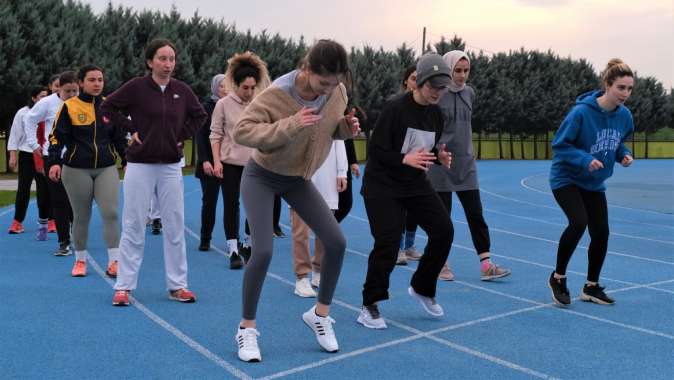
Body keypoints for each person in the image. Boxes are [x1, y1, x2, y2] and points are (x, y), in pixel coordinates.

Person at [232, 39, 359, 362]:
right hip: (262, 175)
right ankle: (246, 329)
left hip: (298, 179)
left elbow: (330, 130)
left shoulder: (336, 91)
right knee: (262, 251)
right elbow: (243, 132)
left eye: (333, 84)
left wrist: (345, 128)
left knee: (337, 242)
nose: (326, 91)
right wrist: (289, 124)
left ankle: (320, 314)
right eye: (322, 83)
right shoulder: (276, 93)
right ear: (306, 69)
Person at [101, 38, 207, 306]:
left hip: (171, 166)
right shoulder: (136, 87)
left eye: (171, 59)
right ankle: (124, 286)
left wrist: (181, 136)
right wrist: (129, 128)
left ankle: (178, 285)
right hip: (140, 165)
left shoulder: (182, 91)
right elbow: (107, 107)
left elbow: (200, 115)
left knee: (174, 225)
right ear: (150, 62)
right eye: (162, 58)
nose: (168, 64)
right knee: (134, 224)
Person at [357, 53, 453, 330]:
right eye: (433, 86)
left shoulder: (437, 114)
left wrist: (440, 156)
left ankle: (422, 287)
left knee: (444, 230)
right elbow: (375, 150)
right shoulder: (395, 108)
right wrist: (403, 159)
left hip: (414, 184)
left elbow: (428, 148)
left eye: (442, 87)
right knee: (387, 242)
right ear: (419, 82)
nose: (437, 92)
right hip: (382, 185)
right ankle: (369, 305)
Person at [548, 58, 635, 306]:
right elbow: (560, 145)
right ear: (608, 85)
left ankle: (591, 287)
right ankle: (558, 277)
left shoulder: (625, 116)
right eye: (621, 87)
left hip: (594, 182)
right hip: (567, 178)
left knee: (601, 232)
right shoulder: (581, 113)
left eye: (629, 89)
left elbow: (617, 142)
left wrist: (623, 155)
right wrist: (584, 159)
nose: (625, 94)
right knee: (578, 222)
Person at [427, 50, 511, 282]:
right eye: (458, 70)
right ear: (448, 69)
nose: (462, 76)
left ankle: (486, 265)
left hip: (466, 163)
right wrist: (436, 152)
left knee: (476, 214)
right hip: (441, 163)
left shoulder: (470, 93)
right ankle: (441, 263)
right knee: (443, 219)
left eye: (466, 71)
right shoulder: (438, 95)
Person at [47, 65, 127, 278]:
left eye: (100, 79)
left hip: (106, 167)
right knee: (82, 216)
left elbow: (119, 137)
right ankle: (80, 261)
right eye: (92, 80)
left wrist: (126, 159)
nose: (97, 83)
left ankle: (114, 261)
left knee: (110, 213)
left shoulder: (109, 107)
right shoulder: (69, 106)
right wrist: (54, 162)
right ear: (81, 83)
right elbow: (56, 137)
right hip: (76, 169)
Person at [211, 52, 271, 268]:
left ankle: (248, 243)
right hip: (230, 164)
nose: (249, 92)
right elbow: (215, 134)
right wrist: (217, 161)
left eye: (252, 87)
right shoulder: (223, 104)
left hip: (255, 164)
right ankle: (233, 250)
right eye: (245, 87)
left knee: (255, 206)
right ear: (235, 85)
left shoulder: (259, 104)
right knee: (231, 204)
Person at [24, 71, 79, 252]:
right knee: (59, 199)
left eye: (75, 91)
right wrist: (33, 144)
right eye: (67, 91)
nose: (71, 95)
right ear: (58, 89)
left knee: (76, 199)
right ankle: (63, 241)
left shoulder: (83, 102)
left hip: (77, 158)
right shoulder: (47, 104)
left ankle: (75, 232)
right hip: (53, 157)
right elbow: (29, 120)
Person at [291, 139, 348, 297]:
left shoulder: (334, 114)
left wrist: (342, 172)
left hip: (327, 180)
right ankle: (301, 278)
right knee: (300, 233)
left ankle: (318, 271)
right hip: (299, 178)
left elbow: (339, 141)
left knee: (325, 233)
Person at [7, 87, 50, 235]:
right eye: (41, 96)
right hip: (26, 154)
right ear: (33, 98)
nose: (44, 99)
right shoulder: (23, 113)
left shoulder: (50, 111)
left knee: (44, 190)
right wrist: (13, 155)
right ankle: (17, 222)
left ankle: (49, 220)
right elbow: (14, 134)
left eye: (46, 96)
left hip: (44, 154)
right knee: (23, 189)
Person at [396, 65, 423, 266]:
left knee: (415, 207)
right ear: (406, 80)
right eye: (413, 78)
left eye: (420, 79)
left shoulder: (424, 107)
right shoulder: (396, 105)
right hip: (398, 163)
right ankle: (397, 248)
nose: (416, 83)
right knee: (398, 208)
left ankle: (409, 245)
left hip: (417, 163)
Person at [196, 73, 226, 251]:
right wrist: (205, 160)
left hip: (229, 162)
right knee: (210, 202)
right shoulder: (206, 107)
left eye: (228, 85)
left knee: (233, 203)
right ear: (215, 87)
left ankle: (233, 240)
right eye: (222, 86)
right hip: (208, 163)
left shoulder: (233, 106)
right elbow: (200, 136)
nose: (225, 89)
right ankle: (205, 238)